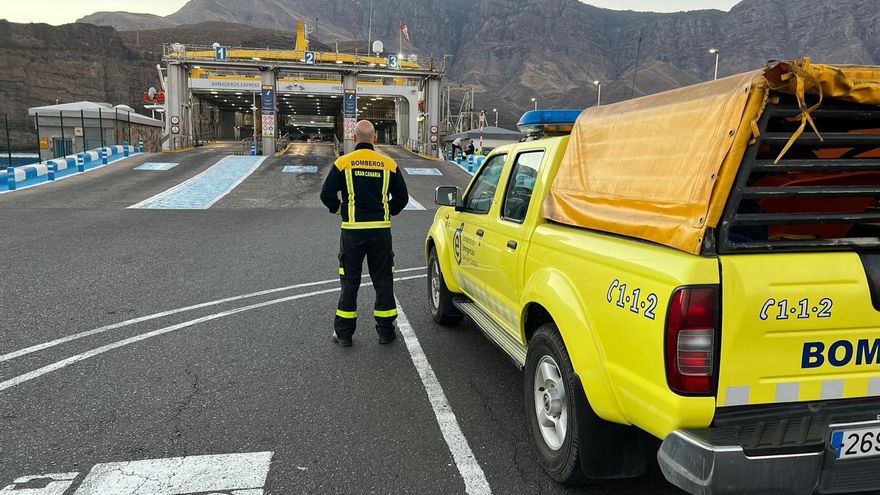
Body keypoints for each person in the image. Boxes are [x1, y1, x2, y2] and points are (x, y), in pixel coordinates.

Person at [320, 120, 409, 347]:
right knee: (383, 281)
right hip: (380, 232)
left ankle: (344, 334)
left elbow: (326, 194)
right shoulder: (388, 164)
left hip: (352, 233)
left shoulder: (343, 163)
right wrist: (388, 212)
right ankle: (386, 332)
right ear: (375, 138)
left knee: (350, 282)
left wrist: (341, 210)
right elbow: (402, 198)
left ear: (355, 138)